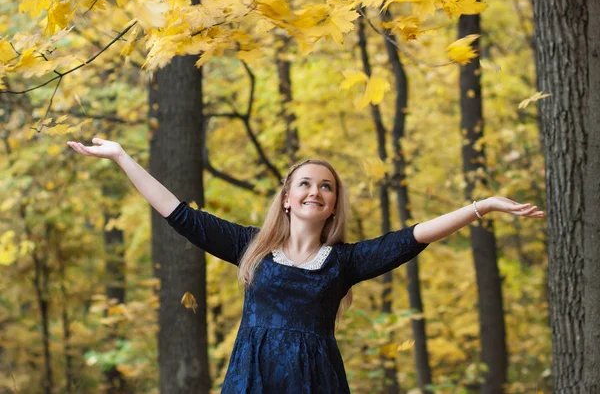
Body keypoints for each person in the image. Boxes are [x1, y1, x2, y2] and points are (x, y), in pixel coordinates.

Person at [67, 137, 544, 393]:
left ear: (333, 206)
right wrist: (122, 158)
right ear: (289, 199)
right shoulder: (249, 247)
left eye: (326, 187)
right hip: (251, 379)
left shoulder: (345, 262)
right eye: (305, 184)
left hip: (316, 382)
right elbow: (178, 214)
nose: (315, 190)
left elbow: (412, 237)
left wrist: (482, 206)